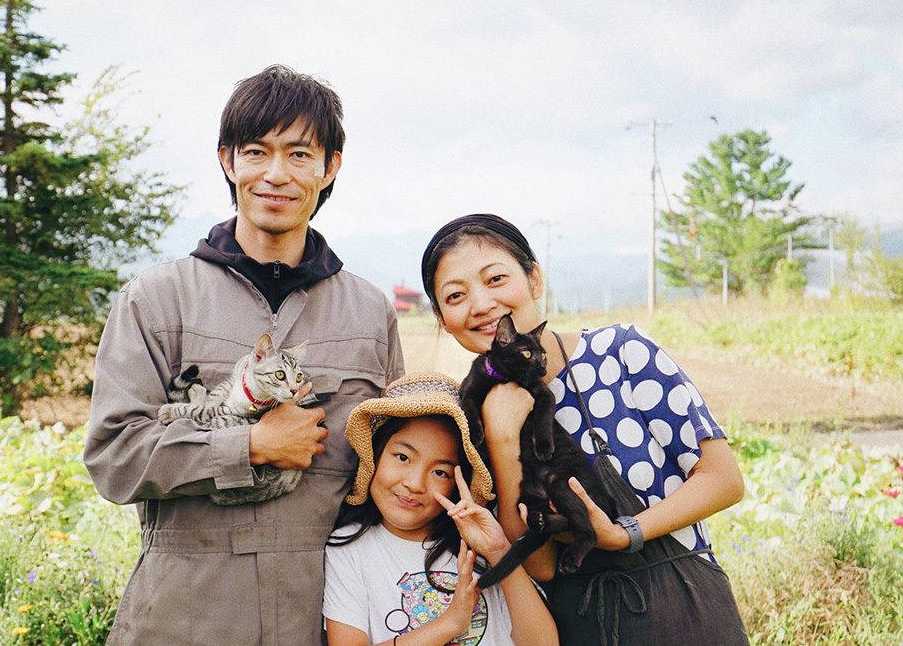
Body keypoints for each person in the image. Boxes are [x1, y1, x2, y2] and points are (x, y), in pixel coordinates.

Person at [84, 65, 404, 645]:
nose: (276, 175)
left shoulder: (369, 312)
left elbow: (395, 464)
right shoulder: (159, 299)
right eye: (257, 152)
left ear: (330, 166)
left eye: (299, 154)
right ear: (227, 161)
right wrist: (249, 445)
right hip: (184, 617)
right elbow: (114, 458)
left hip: (327, 617)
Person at [420, 214, 748, 645]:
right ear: (443, 319)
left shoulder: (621, 352)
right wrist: (501, 439)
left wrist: (621, 533)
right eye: (456, 295)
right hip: (582, 625)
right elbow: (540, 565)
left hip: (686, 612)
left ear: (534, 279)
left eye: (496, 279)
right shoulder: (471, 416)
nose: (480, 304)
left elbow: (723, 480)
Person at [323, 372, 559, 646]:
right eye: (403, 457)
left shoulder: (481, 540)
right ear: (374, 455)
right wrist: (449, 624)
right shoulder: (350, 549)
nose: (414, 484)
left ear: (458, 485)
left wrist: (499, 553)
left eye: (440, 472)